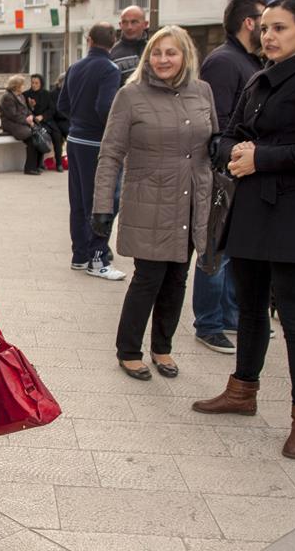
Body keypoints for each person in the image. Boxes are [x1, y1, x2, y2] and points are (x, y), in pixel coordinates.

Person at [192, 0, 295, 460]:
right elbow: (230, 131)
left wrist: (261, 158)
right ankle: (241, 391)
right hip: (251, 208)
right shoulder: (258, 76)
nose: (269, 35)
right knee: (249, 309)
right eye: (265, 28)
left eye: (280, 28)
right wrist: (232, 151)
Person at [93, 25, 218, 381]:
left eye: (171, 52)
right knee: (148, 278)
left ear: (185, 56)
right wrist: (102, 205)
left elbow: (213, 140)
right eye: (157, 53)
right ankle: (129, 350)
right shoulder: (130, 95)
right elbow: (111, 153)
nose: (163, 59)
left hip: (193, 200)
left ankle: (162, 347)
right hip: (149, 201)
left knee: (178, 278)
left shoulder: (203, 91)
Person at [192, 0, 265, 354]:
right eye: (265, 21)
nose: (269, 29)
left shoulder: (251, 60)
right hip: (224, 173)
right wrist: (230, 159)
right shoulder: (223, 61)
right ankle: (208, 322)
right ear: (249, 22)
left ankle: (229, 314)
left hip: (245, 172)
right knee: (215, 250)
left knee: (232, 250)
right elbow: (216, 122)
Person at [57, 22, 125, 281]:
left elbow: (62, 105)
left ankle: (80, 255)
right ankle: (98, 258)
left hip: (75, 140)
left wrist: (78, 121)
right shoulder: (110, 69)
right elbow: (105, 107)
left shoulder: (75, 67)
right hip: (97, 143)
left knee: (78, 201)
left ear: (89, 40)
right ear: (113, 42)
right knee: (103, 199)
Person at [0, 75, 41, 175]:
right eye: (22, 85)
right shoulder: (7, 97)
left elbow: (26, 110)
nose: (24, 87)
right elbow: (13, 115)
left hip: (21, 122)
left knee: (38, 136)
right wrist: (27, 121)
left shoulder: (21, 96)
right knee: (31, 138)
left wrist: (31, 116)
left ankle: (36, 166)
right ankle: (29, 168)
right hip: (11, 123)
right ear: (16, 86)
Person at [24, 74, 64, 172]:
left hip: (48, 121)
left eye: (36, 83)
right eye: (32, 83)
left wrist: (43, 116)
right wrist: (32, 107)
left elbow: (52, 109)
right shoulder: (26, 94)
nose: (34, 85)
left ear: (41, 83)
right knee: (41, 135)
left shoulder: (46, 94)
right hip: (36, 122)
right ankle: (39, 164)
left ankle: (59, 163)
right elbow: (26, 111)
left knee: (57, 136)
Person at [111, 5, 149, 86]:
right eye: (125, 22)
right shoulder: (112, 53)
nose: (129, 27)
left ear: (145, 24)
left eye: (134, 22)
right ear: (120, 25)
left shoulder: (153, 50)